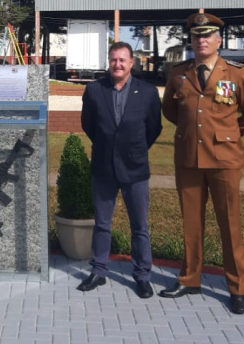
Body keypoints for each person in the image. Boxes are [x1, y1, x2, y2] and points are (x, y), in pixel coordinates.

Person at [159, 12, 244, 314]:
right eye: (196, 36)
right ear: (191, 40)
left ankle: (237, 287)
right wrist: (195, 134)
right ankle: (190, 278)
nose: (201, 40)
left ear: (219, 40)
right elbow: (170, 111)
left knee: (229, 224)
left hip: (224, 161)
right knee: (191, 223)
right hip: (189, 158)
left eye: (207, 36)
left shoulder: (236, 73)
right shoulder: (178, 72)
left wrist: (227, 135)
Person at [78, 42, 162, 297]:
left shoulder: (147, 92)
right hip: (103, 167)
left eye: (122, 60)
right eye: (114, 60)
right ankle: (99, 271)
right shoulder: (94, 90)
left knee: (139, 226)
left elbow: (154, 128)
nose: (117, 64)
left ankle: (142, 275)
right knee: (102, 224)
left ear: (131, 63)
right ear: (109, 61)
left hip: (135, 168)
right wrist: (109, 145)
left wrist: (132, 148)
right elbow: (88, 125)